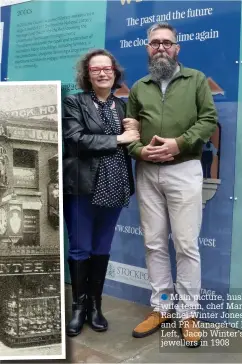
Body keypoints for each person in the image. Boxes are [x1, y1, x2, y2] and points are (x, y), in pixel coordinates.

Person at [127, 22, 218, 347]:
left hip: (184, 169)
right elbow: (130, 130)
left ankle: (188, 314)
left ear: (177, 48)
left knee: (186, 244)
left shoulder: (195, 80)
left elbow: (208, 119)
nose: (161, 47)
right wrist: (140, 151)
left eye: (167, 42)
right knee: (153, 243)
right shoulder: (139, 87)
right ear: (147, 48)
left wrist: (178, 144)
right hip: (148, 173)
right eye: (155, 43)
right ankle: (162, 306)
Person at [62, 49, 140, 337]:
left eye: (107, 68)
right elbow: (75, 141)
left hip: (116, 185)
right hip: (82, 187)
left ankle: (95, 306)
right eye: (96, 69)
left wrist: (136, 131)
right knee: (80, 247)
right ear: (87, 75)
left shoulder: (123, 106)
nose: (103, 73)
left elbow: (134, 140)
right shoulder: (75, 102)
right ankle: (78, 308)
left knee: (102, 248)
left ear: (115, 73)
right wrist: (119, 138)